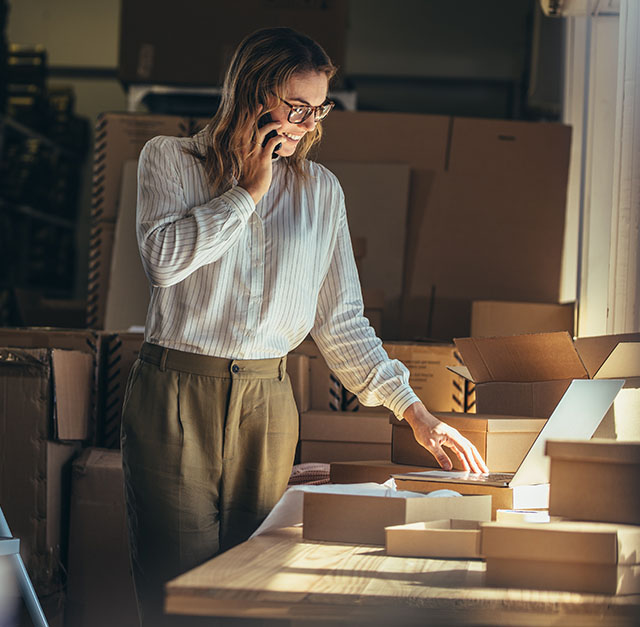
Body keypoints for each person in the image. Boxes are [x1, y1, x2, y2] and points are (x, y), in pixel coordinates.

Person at [119, 26, 489, 626]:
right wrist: (248, 191)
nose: (306, 124)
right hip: (176, 391)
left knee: (255, 580)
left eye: (318, 110)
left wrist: (415, 412)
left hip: (268, 400)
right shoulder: (170, 158)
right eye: (296, 107)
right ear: (252, 93)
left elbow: (340, 321)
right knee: (175, 585)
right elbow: (163, 263)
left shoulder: (321, 193)